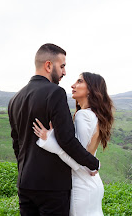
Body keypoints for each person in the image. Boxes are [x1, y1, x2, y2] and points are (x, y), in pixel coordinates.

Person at [8, 44, 100, 215]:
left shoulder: (15, 99)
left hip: (25, 183)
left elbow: (17, 144)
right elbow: (67, 140)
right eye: (62, 66)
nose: (64, 72)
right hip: (52, 187)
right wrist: (93, 163)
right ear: (49, 65)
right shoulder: (55, 93)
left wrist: (25, 170)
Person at [33, 72, 114, 216]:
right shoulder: (94, 115)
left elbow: (78, 157)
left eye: (79, 81)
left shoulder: (83, 115)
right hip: (93, 182)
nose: (73, 85)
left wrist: (49, 140)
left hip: (82, 184)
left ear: (91, 89)